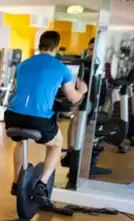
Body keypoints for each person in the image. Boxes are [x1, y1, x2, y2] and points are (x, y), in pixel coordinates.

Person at [5, 30, 88, 206]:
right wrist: (82, 90)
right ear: (57, 47)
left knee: (20, 141)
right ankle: (42, 184)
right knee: (57, 143)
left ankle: (15, 182)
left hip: (12, 117)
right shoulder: (61, 67)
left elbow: (20, 89)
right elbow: (73, 98)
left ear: (39, 45)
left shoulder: (23, 65)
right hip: (38, 120)